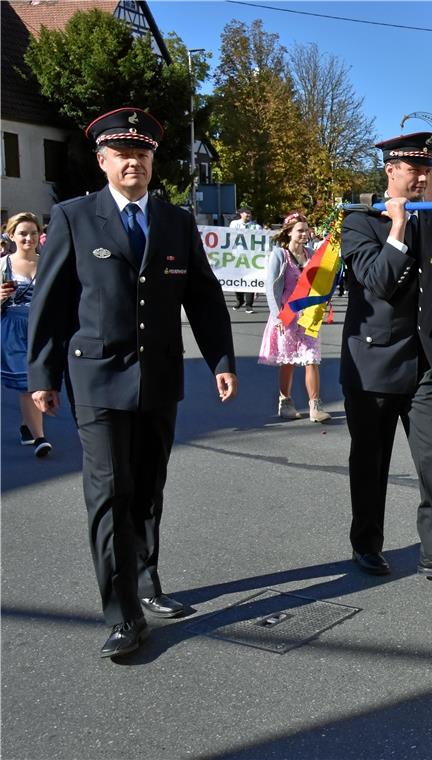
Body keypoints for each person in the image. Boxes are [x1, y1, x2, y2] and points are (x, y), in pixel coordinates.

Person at [26, 107, 237, 659]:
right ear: (103, 161)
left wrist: (221, 360)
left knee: (147, 487)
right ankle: (123, 616)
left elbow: (206, 298)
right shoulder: (74, 217)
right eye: (122, 154)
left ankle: (146, 580)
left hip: (160, 376)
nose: (134, 163)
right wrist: (41, 376)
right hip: (95, 377)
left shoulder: (176, 221)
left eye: (142, 154)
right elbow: (49, 305)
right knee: (109, 493)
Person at [339, 132, 432, 582]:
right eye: (412, 168)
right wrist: (396, 228)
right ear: (390, 171)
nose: (421, 177)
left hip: (422, 361)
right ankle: (366, 544)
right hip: (373, 363)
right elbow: (378, 282)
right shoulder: (360, 222)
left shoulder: (431, 221)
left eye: (427, 169)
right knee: (371, 462)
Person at [258, 210, 330, 423]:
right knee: (288, 360)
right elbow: (271, 288)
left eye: (306, 231)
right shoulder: (280, 255)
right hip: (287, 315)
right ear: (289, 232)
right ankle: (285, 402)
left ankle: (315, 407)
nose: (304, 234)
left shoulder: (311, 254)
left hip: (307, 315)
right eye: (300, 231)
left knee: (311, 359)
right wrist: (277, 316)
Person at [2, 212, 51, 457]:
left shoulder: (48, 262)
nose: (28, 238)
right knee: (28, 384)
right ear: (11, 235)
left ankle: (26, 425)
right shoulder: (3, 264)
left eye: (33, 232)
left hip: (42, 327)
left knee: (40, 380)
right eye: (22, 233)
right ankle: (40, 438)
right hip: (13, 329)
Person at [229, 208, 259, 313]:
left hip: (250, 258)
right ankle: (240, 300)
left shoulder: (255, 226)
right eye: (247, 213)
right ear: (241, 214)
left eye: (250, 213)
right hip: (236, 257)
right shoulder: (235, 223)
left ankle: (249, 305)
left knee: (249, 281)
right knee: (236, 280)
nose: (249, 215)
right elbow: (231, 235)